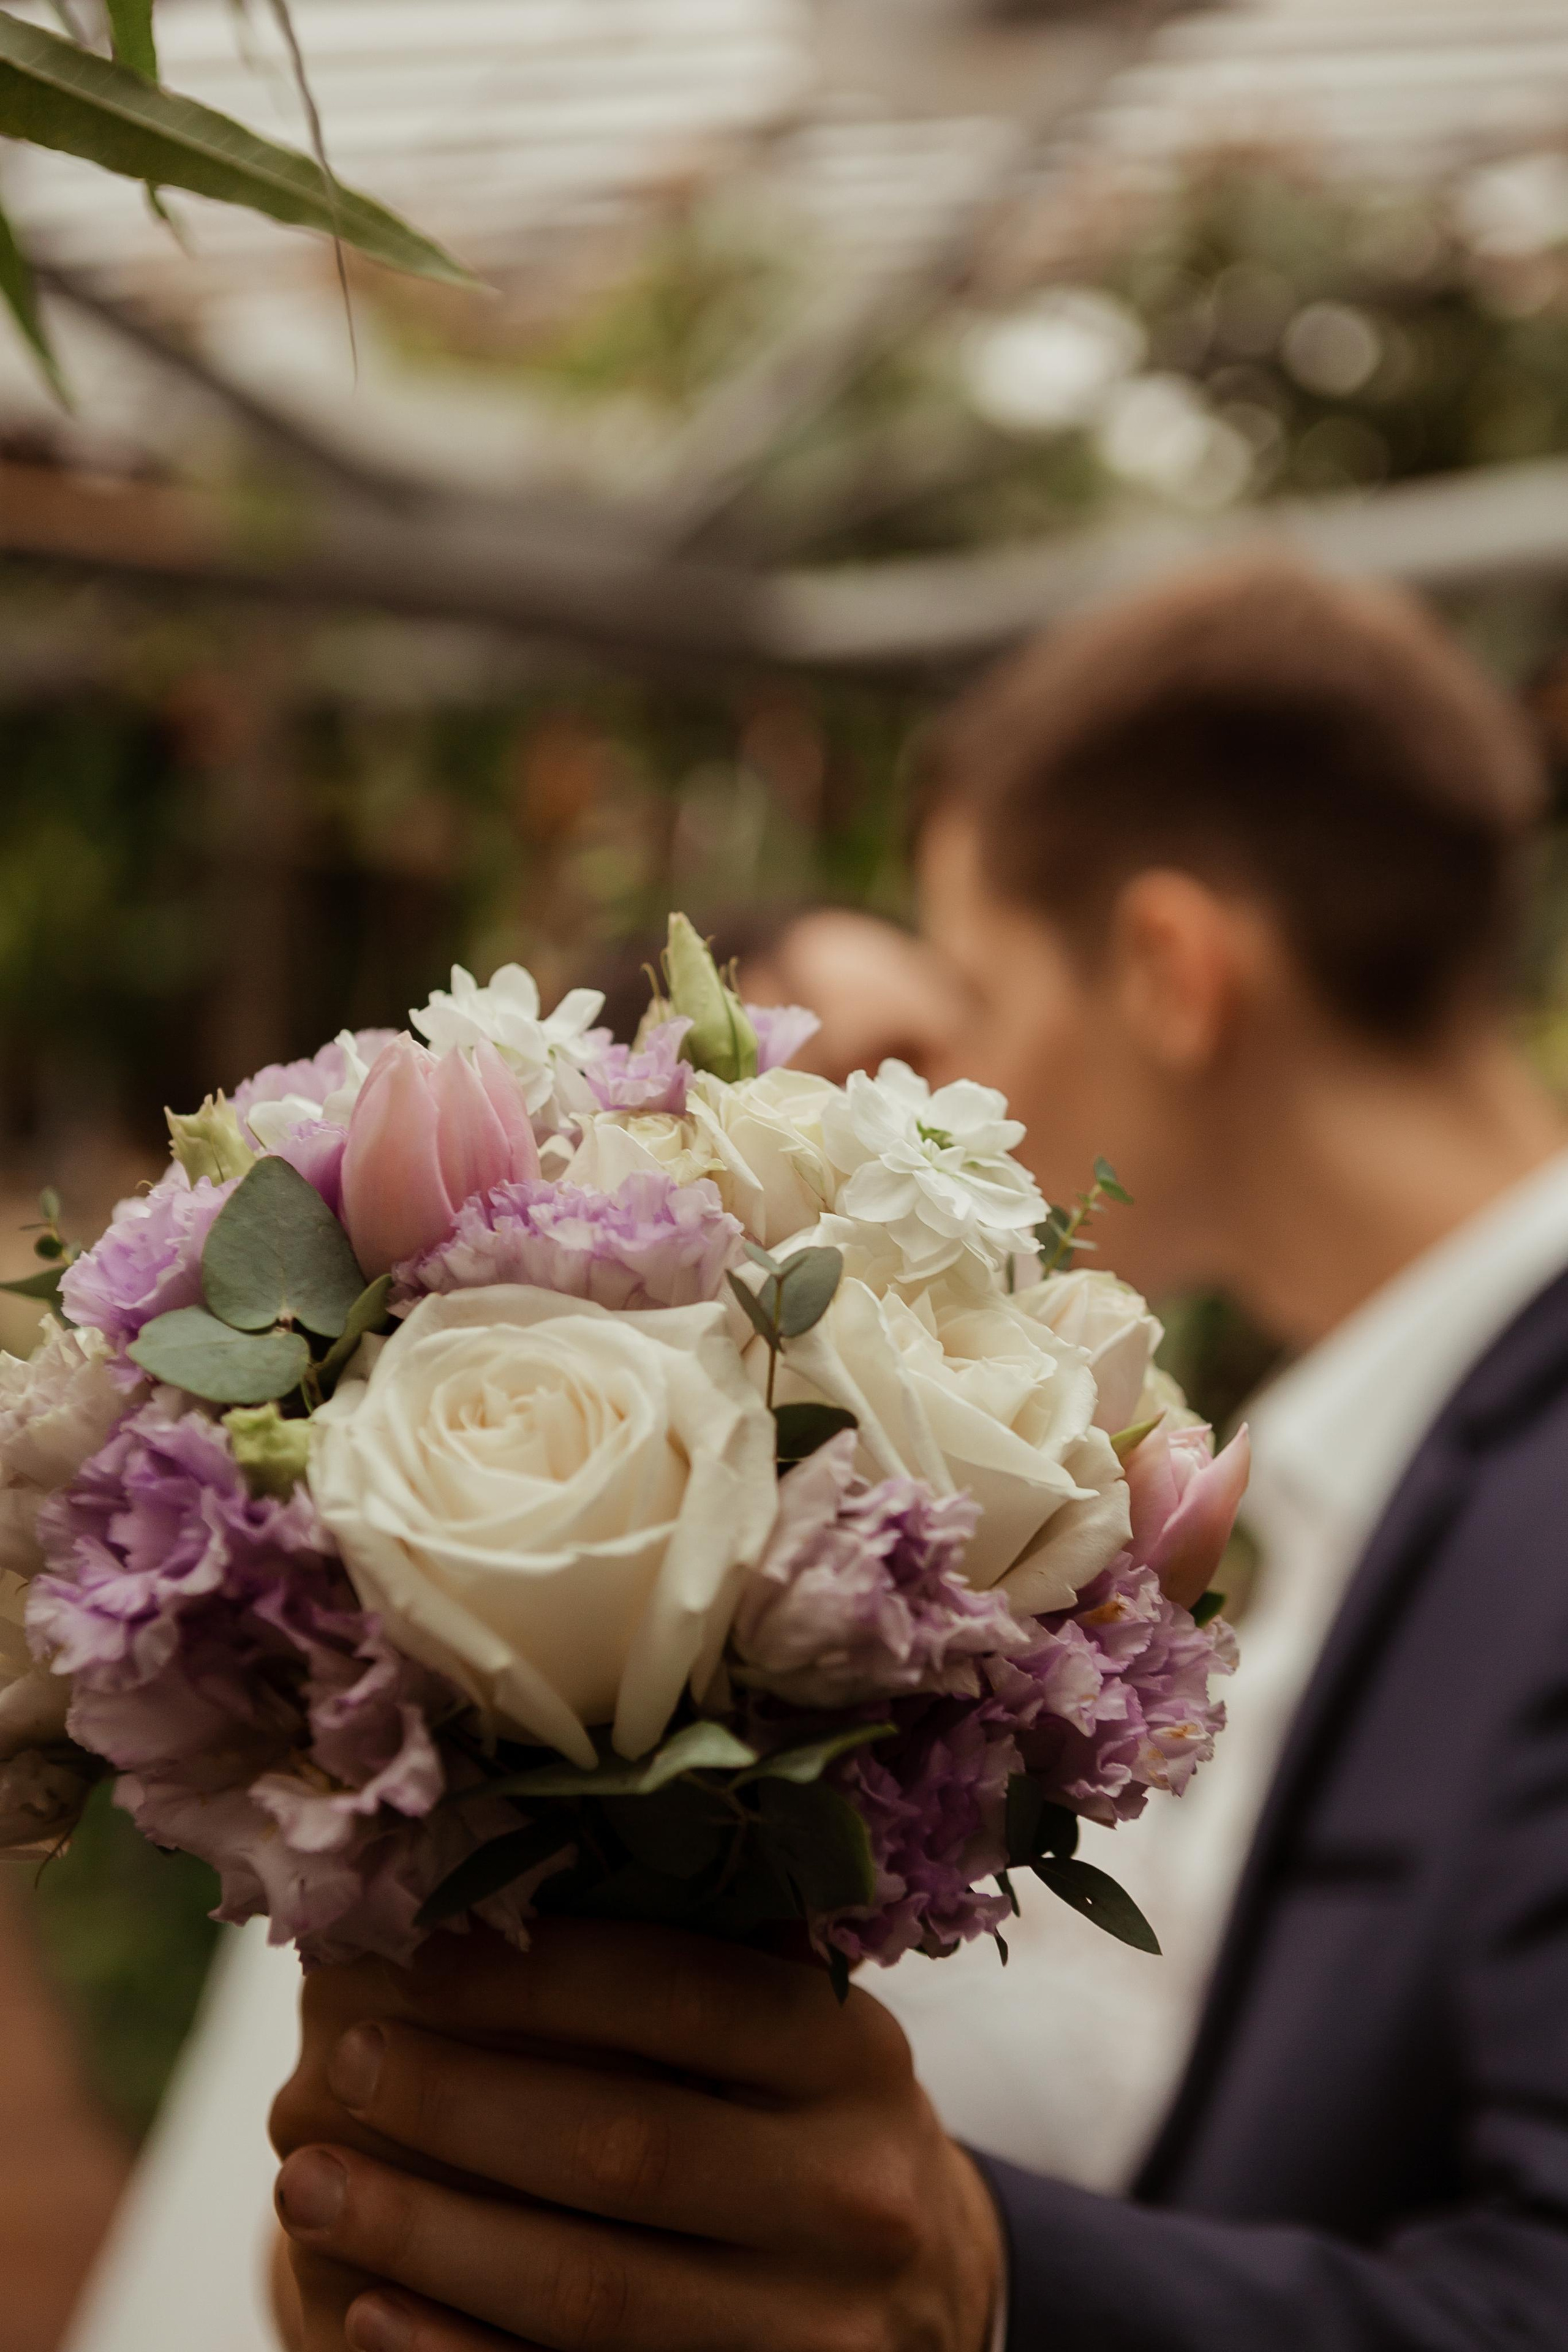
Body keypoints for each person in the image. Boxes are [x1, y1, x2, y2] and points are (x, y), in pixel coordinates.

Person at [264, 551, 1568, 2349]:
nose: (947, 1082)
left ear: (1171, 972)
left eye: (976, 982)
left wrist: (993, 2287)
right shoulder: (1406, 1463)